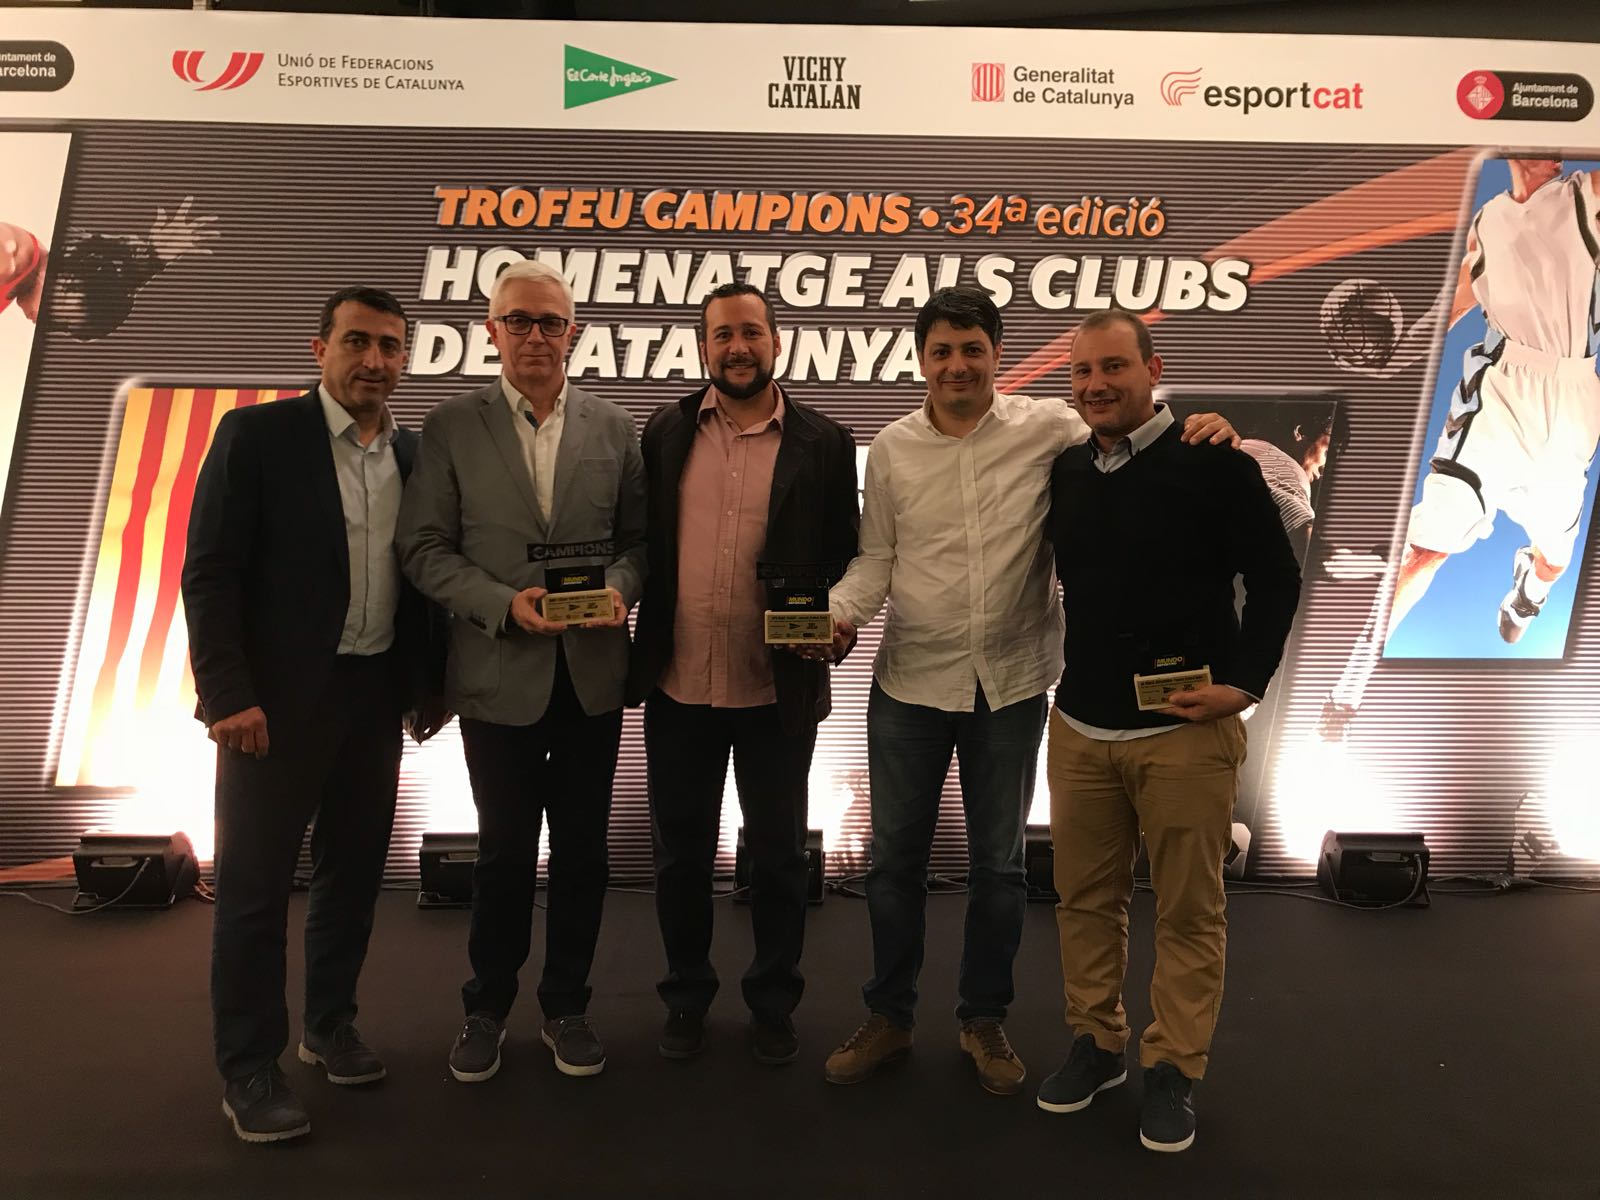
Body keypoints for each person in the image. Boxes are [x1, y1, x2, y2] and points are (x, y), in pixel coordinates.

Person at [821, 287, 1238, 1097]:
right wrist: (839, 616)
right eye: (941, 350)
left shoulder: (1050, 426)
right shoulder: (893, 450)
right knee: (892, 865)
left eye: (972, 349)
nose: (957, 365)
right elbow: (875, 561)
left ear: (996, 356)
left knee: (1001, 869)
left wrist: (1206, 427)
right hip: (910, 683)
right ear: (921, 360)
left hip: (1009, 687)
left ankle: (983, 1019)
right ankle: (890, 1017)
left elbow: (1134, 428)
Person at [182, 285, 448, 1144]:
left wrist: (425, 686)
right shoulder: (258, 438)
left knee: (352, 877)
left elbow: (425, 579)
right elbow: (211, 572)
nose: (375, 361)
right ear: (319, 350)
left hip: (372, 698)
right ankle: (249, 1068)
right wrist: (227, 694)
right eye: (358, 343)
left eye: (391, 347)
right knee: (255, 892)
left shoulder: (413, 455)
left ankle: (328, 1025)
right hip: (272, 705)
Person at [1036, 309, 1300, 1152]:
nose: (1096, 385)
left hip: (1184, 732)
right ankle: (1097, 1042)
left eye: (1114, 367)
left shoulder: (1215, 464)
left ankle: (1174, 1068)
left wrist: (1245, 686)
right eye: (1081, 374)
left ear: (1155, 368)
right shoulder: (1069, 470)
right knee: (1084, 900)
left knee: (1189, 910)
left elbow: (1275, 581)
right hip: (1080, 725)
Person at [397, 259, 647, 1085]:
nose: (535, 335)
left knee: (582, 854)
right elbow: (424, 550)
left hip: (591, 677)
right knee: (505, 851)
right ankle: (486, 1006)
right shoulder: (447, 428)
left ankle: (567, 1005)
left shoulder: (617, 429)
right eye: (518, 320)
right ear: (491, 329)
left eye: (550, 321)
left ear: (574, 332)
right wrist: (505, 603)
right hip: (498, 672)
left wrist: (617, 589)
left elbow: (641, 547)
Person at [626, 282, 859, 1066]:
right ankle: (686, 997)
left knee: (781, 855)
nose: (738, 347)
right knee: (679, 855)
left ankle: (773, 1001)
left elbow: (844, 561)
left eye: (752, 333)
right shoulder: (663, 431)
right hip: (680, 685)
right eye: (722, 334)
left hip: (775, 690)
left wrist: (830, 627)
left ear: (776, 342)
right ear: (702, 347)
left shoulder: (825, 442)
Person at [1386, 157, 1600, 646]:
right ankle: (1344, 688)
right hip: (1498, 387)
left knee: (1555, 560)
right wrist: (1394, 352)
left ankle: (1529, 590)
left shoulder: (1583, 196)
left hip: (1572, 396)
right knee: (1426, 546)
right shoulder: (1487, 223)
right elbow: (1457, 300)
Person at [2, 198, 218, 336]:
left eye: (65, 323)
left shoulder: (17, 276)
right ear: (66, 280)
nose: (41, 320)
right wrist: (151, 258)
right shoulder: (11, 258)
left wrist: (152, 259)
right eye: (64, 316)